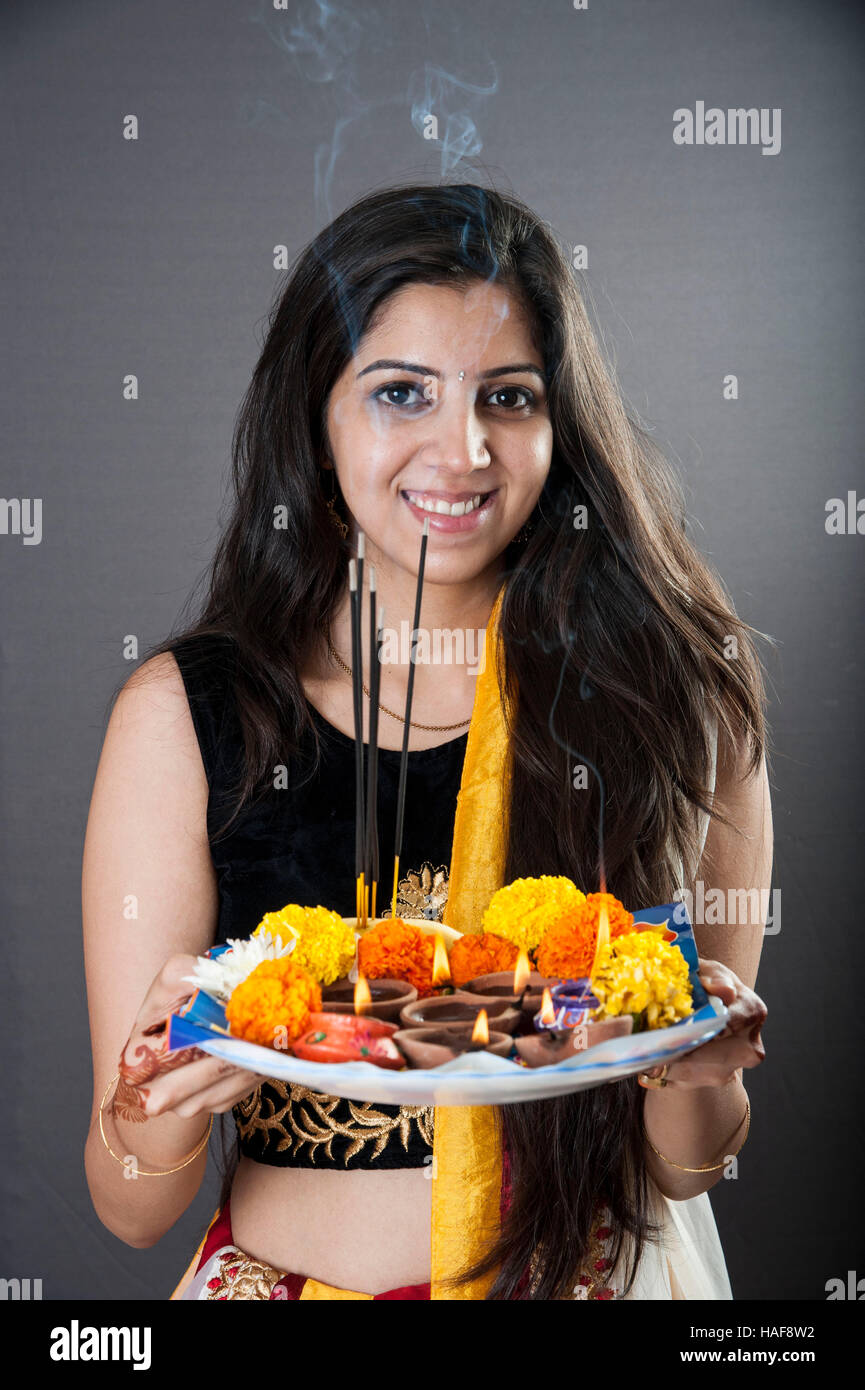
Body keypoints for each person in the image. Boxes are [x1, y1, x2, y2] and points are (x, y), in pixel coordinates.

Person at [82, 182, 771, 1301]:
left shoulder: (667, 694)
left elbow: (689, 1163)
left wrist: (695, 1074)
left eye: (508, 397)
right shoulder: (193, 716)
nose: (462, 450)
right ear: (316, 414)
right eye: (400, 392)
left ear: (560, 424)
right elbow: (128, 1204)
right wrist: (147, 1104)